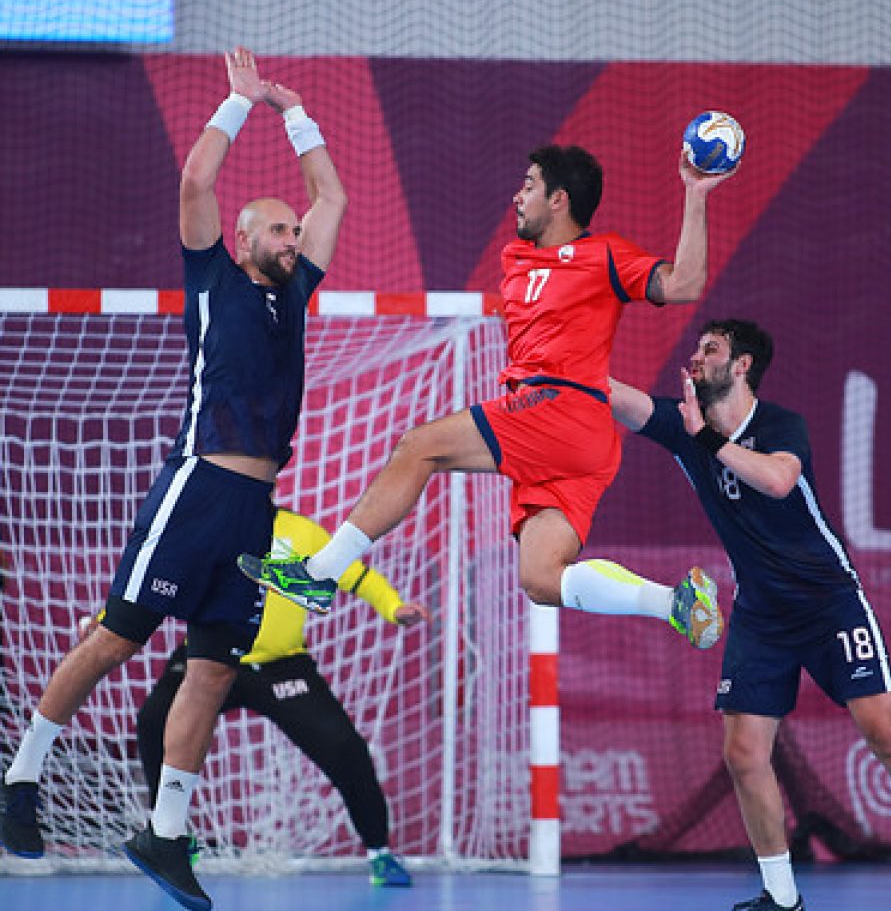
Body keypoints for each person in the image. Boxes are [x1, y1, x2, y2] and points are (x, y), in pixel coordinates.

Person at [0, 47, 346, 911]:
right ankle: (21, 779)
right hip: (197, 488)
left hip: (253, 510)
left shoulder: (296, 293)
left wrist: (296, 115)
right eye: (279, 230)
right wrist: (236, 106)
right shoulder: (212, 279)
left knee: (214, 669)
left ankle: (166, 831)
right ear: (243, 240)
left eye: (294, 233)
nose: (294, 238)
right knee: (118, 637)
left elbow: (333, 199)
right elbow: (196, 181)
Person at [608, 318, 891, 911]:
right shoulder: (681, 423)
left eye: (710, 349)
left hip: (830, 603)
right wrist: (555, 360)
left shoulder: (777, 425)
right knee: (745, 754)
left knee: (888, 736)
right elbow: (616, 397)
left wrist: (708, 441)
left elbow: (777, 480)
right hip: (760, 616)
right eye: (696, 348)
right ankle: (782, 898)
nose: (695, 357)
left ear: (741, 365)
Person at [239, 143, 731, 650]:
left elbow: (686, 283)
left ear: (559, 200)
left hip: (560, 409)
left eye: (529, 185)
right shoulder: (515, 258)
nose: (517, 196)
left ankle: (320, 573)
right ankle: (671, 601)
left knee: (419, 446)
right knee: (542, 579)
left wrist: (695, 195)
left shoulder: (603, 255)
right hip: (574, 445)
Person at [134, 506, 425, 887]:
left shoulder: (302, 532)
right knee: (154, 721)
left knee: (346, 749)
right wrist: (109, 621)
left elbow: (358, 577)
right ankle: (168, 838)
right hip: (208, 660)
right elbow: (155, 579)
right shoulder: (208, 528)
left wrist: (394, 607)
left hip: (281, 668)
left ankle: (380, 853)